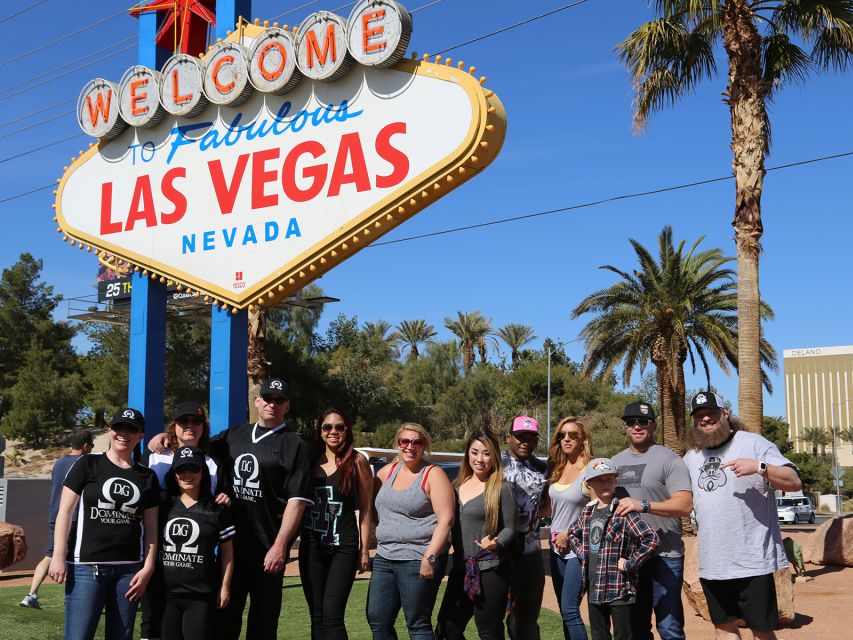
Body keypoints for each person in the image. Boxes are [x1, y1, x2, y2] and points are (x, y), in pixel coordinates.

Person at [148, 378, 313, 640]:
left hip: (267, 548)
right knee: (224, 621)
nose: (272, 403)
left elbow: (297, 501)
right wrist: (164, 437)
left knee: (263, 623)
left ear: (287, 406)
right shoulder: (232, 436)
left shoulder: (295, 445)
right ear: (258, 401)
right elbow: (192, 445)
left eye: (279, 400)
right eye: (267, 398)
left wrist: (281, 545)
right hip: (232, 549)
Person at [684, 392, 801, 640]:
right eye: (699, 416)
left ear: (725, 414)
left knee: (760, 630)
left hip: (753, 561)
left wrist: (759, 467)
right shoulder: (692, 457)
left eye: (712, 414)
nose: (706, 419)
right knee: (723, 628)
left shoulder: (753, 443)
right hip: (713, 563)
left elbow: (794, 481)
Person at [48, 408, 160, 640]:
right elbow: (65, 512)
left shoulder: (147, 476)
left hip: (129, 572)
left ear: (141, 435)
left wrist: (147, 568)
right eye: (118, 427)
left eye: (131, 429)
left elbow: (150, 527)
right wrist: (58, 555)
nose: (123, 433)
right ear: (110, 431)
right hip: (86, 569)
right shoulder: (87, 464)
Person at [140, 402, 229, 640]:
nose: (190, 426)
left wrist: (225, 498)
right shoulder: (154, 454)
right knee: (151, 626)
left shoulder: (215, 459)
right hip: (157, 556)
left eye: (196, 422)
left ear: (204, 427)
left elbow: (220, 499)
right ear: (173, 426)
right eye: (183, 421)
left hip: (197, 569)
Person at [611, 401, 693, 640]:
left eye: (643, 421)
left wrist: (644, 505)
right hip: (630, 558)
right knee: (636, 629)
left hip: (665, 557)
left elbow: (684, 505)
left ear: (653, 425)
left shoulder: (670, 460)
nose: (637, 426)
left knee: (669, 629)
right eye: (631, 422)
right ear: (625, 427)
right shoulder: (614, 463)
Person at [367, 422, 455, 639]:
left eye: (417, 442)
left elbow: (446, 520)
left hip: (418, 558)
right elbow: (373, 509)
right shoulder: (386, 472)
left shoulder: (433, 474)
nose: (410, 446)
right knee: (378, 619)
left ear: (425, 446)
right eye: (404, 441)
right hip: (385, 557)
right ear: (398, 443)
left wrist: (430, 557)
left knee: (417, 623)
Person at [299, 408, 373, 639]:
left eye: (339, 427)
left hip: (344, 547)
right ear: (319, 431)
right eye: (327, 427)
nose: (333, 432)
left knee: (332, 617)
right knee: (317, 617)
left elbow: (367, 508)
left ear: (347, 430)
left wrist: (364, 549)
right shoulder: (308, 459)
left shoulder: (357, 461)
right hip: (311, 547)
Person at [435, 429, 516, 640]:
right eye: (475, 452)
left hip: (489, 569)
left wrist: (497, 542)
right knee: (447, 628)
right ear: (467, 454)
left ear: (495, 456)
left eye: (486, 453)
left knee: (489, 633)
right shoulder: (455, 486)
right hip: (460, 569)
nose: (480, 459)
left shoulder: (502, 488)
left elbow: (510, 528)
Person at [568, 458, 659, 640]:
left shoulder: (624, 510)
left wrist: (630, 563)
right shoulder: (587, 512)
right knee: (598, 635)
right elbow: (572, 534)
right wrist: (581, 552)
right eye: (600, 480)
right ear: (589, 483)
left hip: (619, 589)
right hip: (594, 588)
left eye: (609, 478)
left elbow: (651, 538)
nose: (605, 484)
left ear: (616, 480)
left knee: (623, 636)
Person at [159, 446, 235, 640]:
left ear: (203, 472)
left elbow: (227, 551)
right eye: (181, 469)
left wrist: (225, 587)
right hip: (166, 595)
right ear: (174, 474)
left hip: (201, 595)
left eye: (193, 468)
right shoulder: (163, 506)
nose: (187, 474)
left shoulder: (217, 508)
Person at [20, 429, 94, 610]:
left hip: (55, 516)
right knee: (76, 559)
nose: (91, 448)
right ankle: (75, 599)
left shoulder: (59, 462)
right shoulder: (84, 462)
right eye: (91, 445)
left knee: (50, 555)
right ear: (85, 446)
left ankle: (31, 594)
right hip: (74, 518)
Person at [545, 417, 593, 640]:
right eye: (562, 435)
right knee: (565, 613)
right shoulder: (557, 467)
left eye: (573, 435)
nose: (567, 439)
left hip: (579, 549)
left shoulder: (590, 470)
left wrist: (570, 532)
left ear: (583, 439)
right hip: (555, 549)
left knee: (570, 609)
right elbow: (549, 509)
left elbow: (599, 509)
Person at [501, 415, 549, 640]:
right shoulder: (494, 464)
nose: (525, 442)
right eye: (520, 436)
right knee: (491, 620)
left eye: (531, 438)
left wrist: (530, 517)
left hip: (530, 554)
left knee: (527, 621)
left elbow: (547, 506)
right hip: (498, 552)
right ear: (508, 437)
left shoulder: (542, 468)